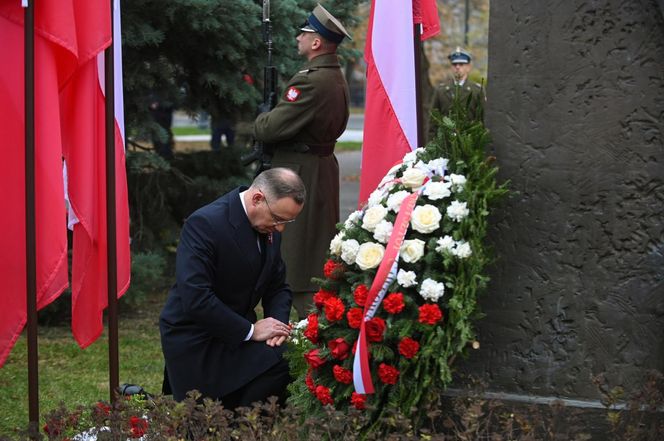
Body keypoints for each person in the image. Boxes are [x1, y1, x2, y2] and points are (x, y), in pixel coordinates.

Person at [159, 167, 306, 409]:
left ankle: (244, 425)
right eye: (278, 218)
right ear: (257, 198)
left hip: (236, 334)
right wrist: (250, 330)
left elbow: (278, 286)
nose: (280, 228)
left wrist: (277, 328)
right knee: (280, 363)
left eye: (287, 221)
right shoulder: (205, 223)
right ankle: (234, 424)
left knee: (288, 355)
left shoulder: (267, 226)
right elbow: (196, 297)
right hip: (198, 338)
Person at [254, 4, 351, 318]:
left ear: (317, 43)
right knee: (311, 251)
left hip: (300, 174)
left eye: (305, 33)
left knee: (298, 256)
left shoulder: (311, 81)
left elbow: (269, 128)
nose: (298, 38)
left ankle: (310, 332)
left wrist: (261, 118)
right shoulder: (333, 76)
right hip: (317, 170)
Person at [428, 47, 486, 141]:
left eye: (461, 64)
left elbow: (482, 120)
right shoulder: (441, 90)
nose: (457, 67)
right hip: (445, 144)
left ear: (468, 67)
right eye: (454, 64)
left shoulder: (477, 90)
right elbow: (433, 122)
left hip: (470, 144)